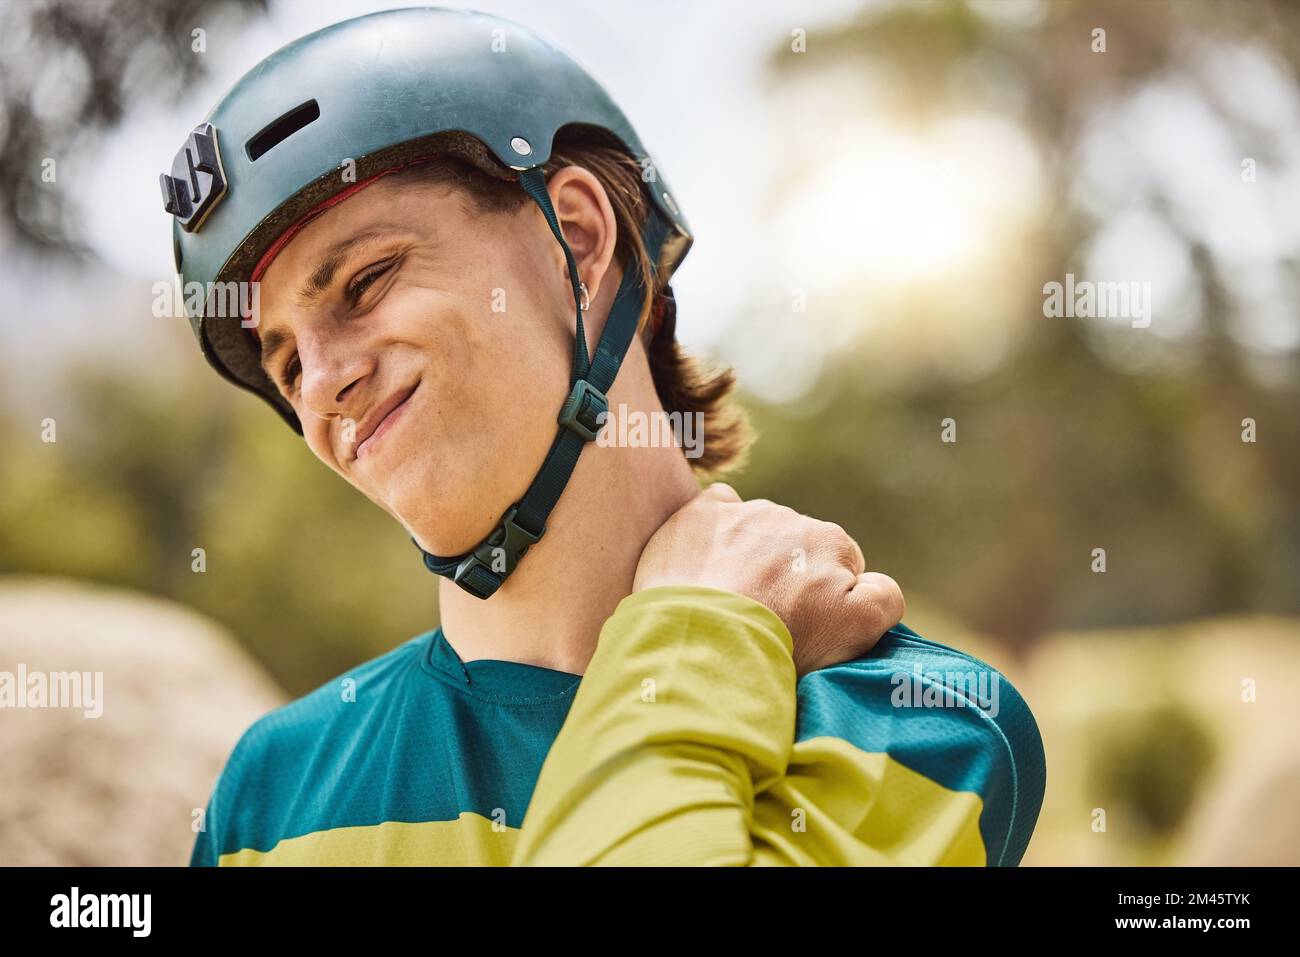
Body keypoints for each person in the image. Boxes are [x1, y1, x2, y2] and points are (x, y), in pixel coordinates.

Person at [166, 7, 1045, 866]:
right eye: (285, 365)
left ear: (577, 239)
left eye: (366, 280)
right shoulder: (266, 798)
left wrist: (695, 639)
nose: (321, 384)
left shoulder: (924, 727)